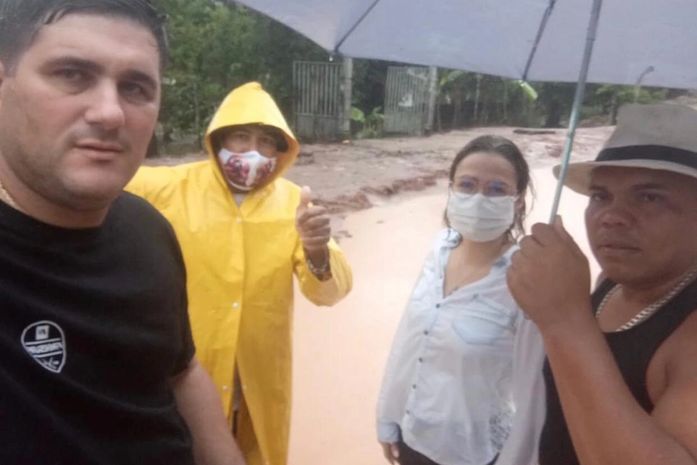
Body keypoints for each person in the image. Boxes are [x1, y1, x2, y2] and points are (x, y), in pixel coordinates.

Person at [0, 1, 245, 463]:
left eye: (135, 88)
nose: (110, 113)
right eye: (72, 74)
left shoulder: (148, 229)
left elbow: (181, 371)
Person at [126, 81, 353, 465]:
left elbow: (329, 294)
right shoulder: (167, 187)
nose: (253, 152)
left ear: (281, 151)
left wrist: (316, 249)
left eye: (266, 142)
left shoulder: (295, 204)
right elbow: (88, 190)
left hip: (257, 378)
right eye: (241, 137)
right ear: (218, 140)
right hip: (185, 373)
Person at [506, 103, 697, 465]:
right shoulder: (611, 284)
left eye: (649, 197)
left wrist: (563, 319)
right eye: (600, 196)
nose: (612, 217)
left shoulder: (689, 332)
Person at [376, 135, 532, 465]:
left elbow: (535, 389)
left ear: (518, 200)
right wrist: (388, 418)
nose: (479, 198)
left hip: (473, 452)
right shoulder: (440, 248)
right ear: (451, 189)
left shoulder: (527, 277)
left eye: (497, 189)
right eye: (467, 185)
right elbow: (408, 341)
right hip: (411, 436)